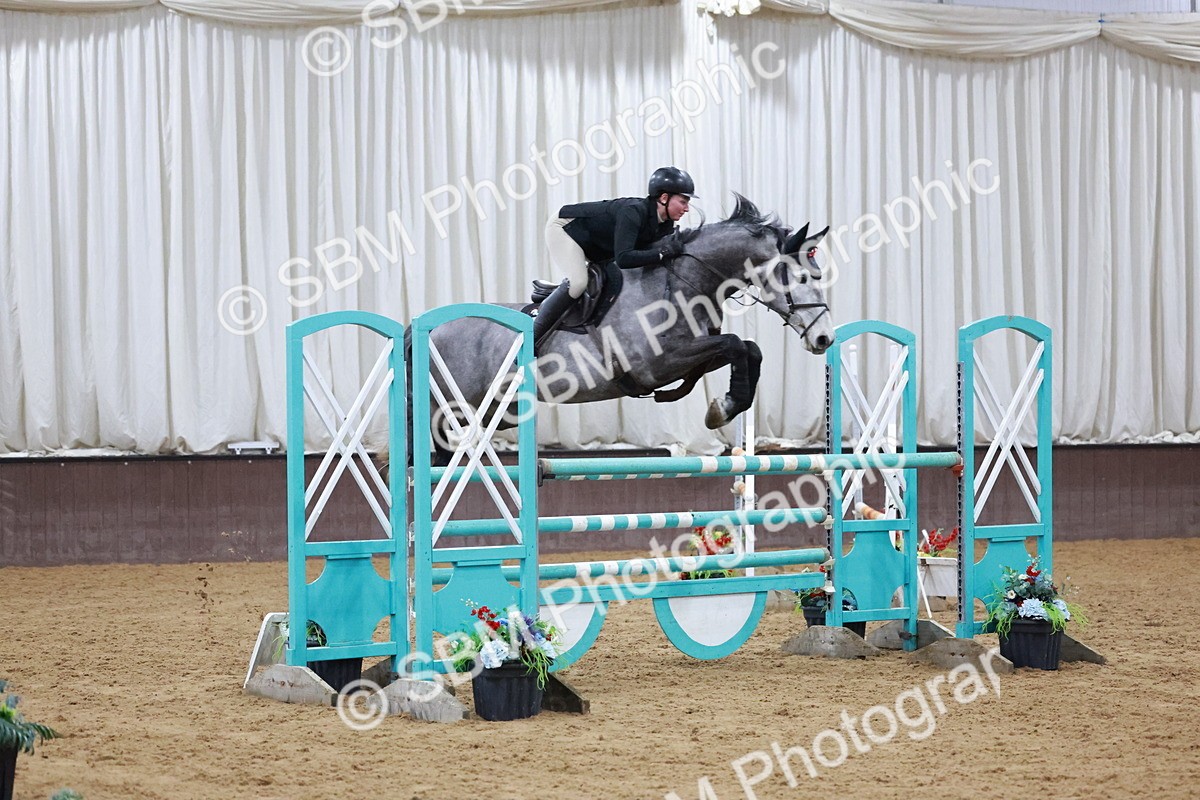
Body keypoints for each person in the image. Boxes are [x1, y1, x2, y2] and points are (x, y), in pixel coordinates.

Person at [535, 166, 696, 344]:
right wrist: (664, 252)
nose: (687, 208)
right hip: (565, 228)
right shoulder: (633, 212)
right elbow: (624, 258)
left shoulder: (665, 224)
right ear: (664, 198)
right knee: (578, 282)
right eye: (683, 201)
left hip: (597, 244)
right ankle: (531, 335)